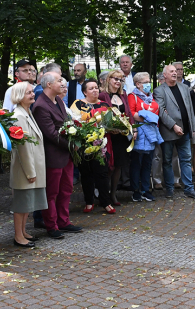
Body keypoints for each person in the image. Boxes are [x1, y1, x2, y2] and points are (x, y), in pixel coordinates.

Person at [32, 71, 83, 239]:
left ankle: (64, 221)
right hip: (53, 155)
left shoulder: (59, 101)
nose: (63, 83)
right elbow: (51, 134)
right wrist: (72, 144)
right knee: (52, 193)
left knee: (66, 190)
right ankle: (52, 225)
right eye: (59, 80)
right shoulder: (40, 106)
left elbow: (66, 124)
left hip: (66, 154)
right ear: (48, 85)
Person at [70, 78, 116, 214]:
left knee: (102, 173)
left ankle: (105, 202)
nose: (95, 90)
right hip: (83, 144)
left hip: (100, 144)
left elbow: (111, 123)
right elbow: (74, 121)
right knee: (86, 174)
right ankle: (89, 201)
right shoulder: (77, 104)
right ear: (84, 92)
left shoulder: (105, 105)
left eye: (96, 87)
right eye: (91, 88)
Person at [8, 81, 44, 248]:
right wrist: (30, 172)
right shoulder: (19, 116)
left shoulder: (27, 113)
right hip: (24, 168)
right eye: (28, 92)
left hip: (30, 166)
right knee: (21, 204)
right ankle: (18, 236)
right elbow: (23, 147)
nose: (33, 94)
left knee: (27, 203)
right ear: (19, 96)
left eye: (32, 91)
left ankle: (23, 232)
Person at [154, 64, 195, 199]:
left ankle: (189, 189)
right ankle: (170, 189)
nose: (174, 73)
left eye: (175, 71)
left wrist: (192, 127)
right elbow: (160, 111)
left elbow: (190, 109)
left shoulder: (185, 88)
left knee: (186, 160)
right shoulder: (159, 91)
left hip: (185, 131)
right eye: (171, 71)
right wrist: (174, 126)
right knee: (167, 160)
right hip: (168, 131)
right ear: (164, 75)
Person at [127, 72, 162, 202]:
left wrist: (148, 117)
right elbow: (131, 113)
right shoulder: (132, 96)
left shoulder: (150, 97)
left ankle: (145, 190)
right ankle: (136, 191)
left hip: (152, 132)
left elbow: (156, 112)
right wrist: (149, 117)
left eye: (149, 81)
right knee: (137, 162)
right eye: (146, 82)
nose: (149, 84)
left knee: (148, 163)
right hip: (139, 132)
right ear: (138, 84)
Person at [102, 69, 134, 203]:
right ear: (109, 79)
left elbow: (128, 113)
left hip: (121, 136)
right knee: (109, 166)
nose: (118, 82)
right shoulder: (103, 95)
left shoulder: (123, 95)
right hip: (109, 136)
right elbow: (101, 114)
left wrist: (133, 129)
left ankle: (113, 194)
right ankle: (104, 193)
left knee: (119, 165)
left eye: (121, 80)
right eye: (115, 79)